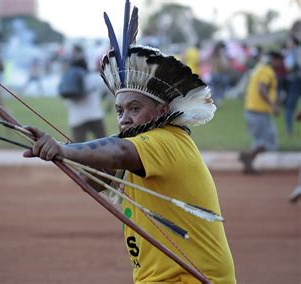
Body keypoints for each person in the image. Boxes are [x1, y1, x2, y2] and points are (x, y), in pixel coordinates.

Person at [23, 2, 236, 282]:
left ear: (162, 111)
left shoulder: (166, 140)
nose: (124, 119)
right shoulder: (134, 148)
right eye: (120, 111)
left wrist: (63, 149)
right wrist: (66, 157)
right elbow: (94, 183)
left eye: (135, 108)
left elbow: (118, 152)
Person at [239, 51, 284, 174]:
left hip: (253, 110)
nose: (281, 63)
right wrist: (273, 105)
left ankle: (248, 163)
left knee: (263, 140)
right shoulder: (267, 71)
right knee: (268, 141)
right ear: (274, 60)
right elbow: (262, 89)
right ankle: (247, 157)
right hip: (258, 111)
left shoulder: (259, 68)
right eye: (280, 60)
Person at [62, 55, 106, 142]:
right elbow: (106, 87)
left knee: (78, 148)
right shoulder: (93, 78)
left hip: (76, 118)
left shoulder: (68, 80)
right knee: (103, 143)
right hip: (95, 114)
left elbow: (65, 100)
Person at [283, 36, 301, 136]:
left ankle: (289, 130)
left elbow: (288, 67)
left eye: (288, 42)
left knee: (290, 107)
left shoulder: (291, 53)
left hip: (295, 82)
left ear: (293, 43)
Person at [209, 41, 230, 105]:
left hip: (213, 74)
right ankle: (218, 101)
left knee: (214, 88)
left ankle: (214, 101)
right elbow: (224, 66)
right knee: (220, 89)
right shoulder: (221, 55)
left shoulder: (213, 54)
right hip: (220, 74)